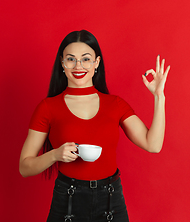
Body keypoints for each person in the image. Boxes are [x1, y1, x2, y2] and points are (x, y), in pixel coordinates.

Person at [19, 30, 170, 222]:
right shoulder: (48, 107)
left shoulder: (115, 104)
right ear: (62, 63)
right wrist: (56, 154)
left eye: (86, 59)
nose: (78, 66)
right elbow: (25, 167)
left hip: (111, 199)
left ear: (97, 63)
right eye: (71, 59)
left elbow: (153, 145)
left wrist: (159, 96)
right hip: (67, 199)